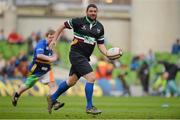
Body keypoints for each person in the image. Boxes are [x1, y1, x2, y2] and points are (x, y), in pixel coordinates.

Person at [47, 4, 115, 115]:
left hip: (84, 57)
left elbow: (101, 44)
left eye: (95, 11)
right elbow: (61, 26)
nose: (93, 13)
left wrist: (107, 53)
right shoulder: (78, 21)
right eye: (91, 11)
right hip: (76, 54)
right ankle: (89, 107)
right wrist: (54, 39)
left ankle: (52, 98)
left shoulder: (99, 27)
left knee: (71, 81)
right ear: (86, 12)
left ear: (97, 13)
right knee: (91, 77)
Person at [11, 29, 61, 108]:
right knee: (27, 85)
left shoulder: (52, 45)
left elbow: (55, 55)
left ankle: (53, 101)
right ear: (46, 37)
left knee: (53, 85)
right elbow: (39, 56)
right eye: (50, 37)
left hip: (47, 69)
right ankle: (16, 94)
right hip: (37, 69)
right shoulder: (41, 44)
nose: (51, 39)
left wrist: (55, 56)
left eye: (53, 37)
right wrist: (50, 59)